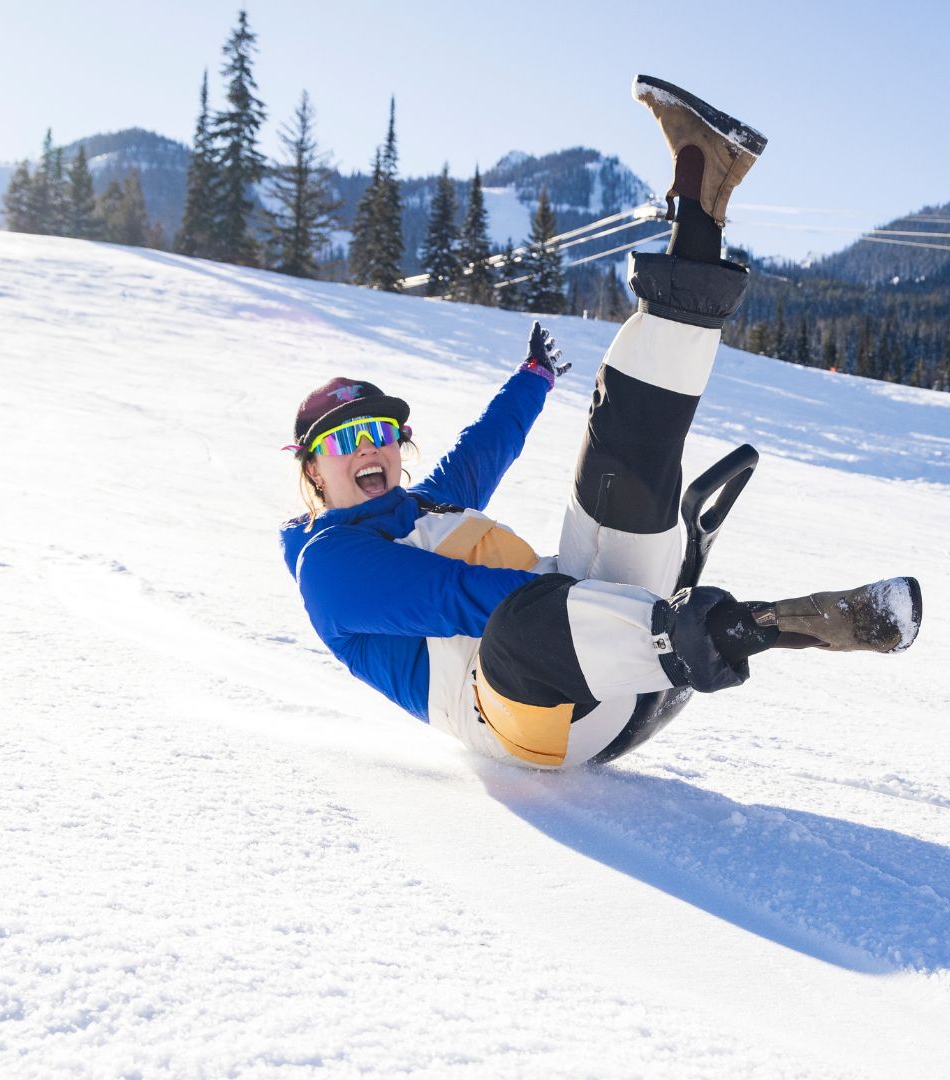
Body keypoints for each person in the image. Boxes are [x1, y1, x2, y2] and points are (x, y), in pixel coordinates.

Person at [280, 75, 923, 769]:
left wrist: (531, 380)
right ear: (313, 469)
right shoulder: (328, 567)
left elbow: (482, 450)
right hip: (530, 711)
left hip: (617, 663)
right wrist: (631, 614)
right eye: (344, 439)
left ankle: (703, 197)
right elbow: (456, 598)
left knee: (618, 452)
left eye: (380, 432)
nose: (368, 447)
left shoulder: (423, 507)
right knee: (511, 620)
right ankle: (716, 629)